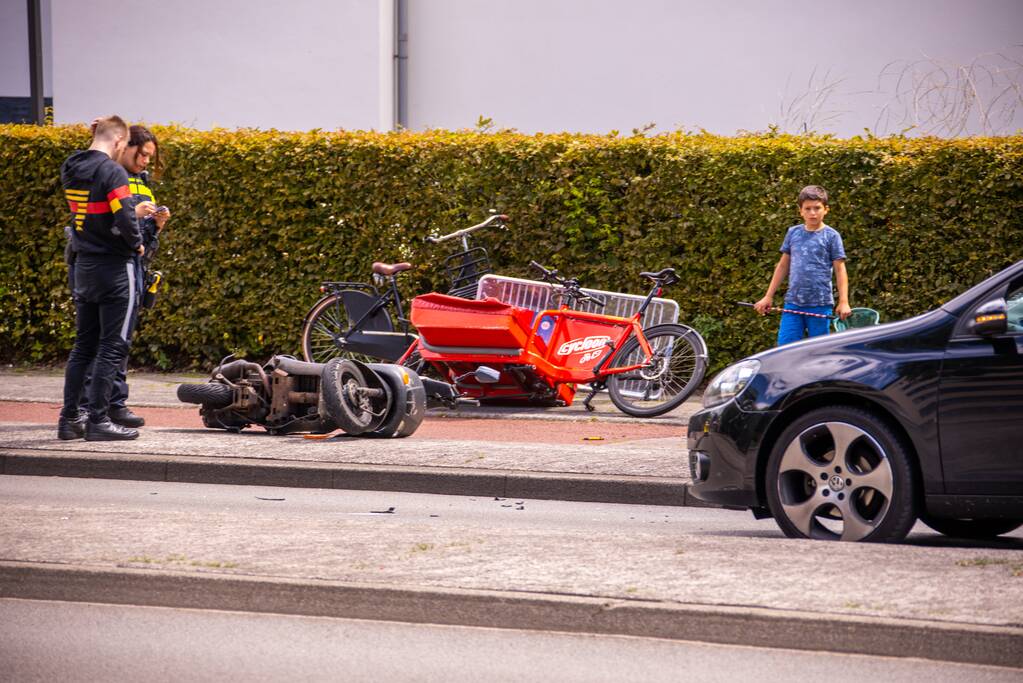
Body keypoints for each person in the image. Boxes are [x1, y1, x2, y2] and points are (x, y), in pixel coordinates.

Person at [75, 125, 170, 428]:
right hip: (110, 265)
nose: (145, 162)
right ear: (127, 146)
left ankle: (113, 403)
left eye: (149, 158)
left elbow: (145, 241)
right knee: (102, 342)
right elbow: (101, 221)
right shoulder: (107, 175)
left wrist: (157, 226)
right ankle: (92, 409)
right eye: (142, 154)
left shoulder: (142, 183)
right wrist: (135, 215)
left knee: (119, 342)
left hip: (132, 265)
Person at [57, 115, 144, 441]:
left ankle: (69, 420)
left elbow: (97, 209)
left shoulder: (71, 166)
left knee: (83, 346)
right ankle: (98, 421)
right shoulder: (113, 171)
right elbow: (123, 213)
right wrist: (136, 242)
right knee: (112, 346)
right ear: (121, 141)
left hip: (84, 264)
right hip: (114, 267)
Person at [754, 185, 851, 346]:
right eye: (808, 208)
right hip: (793, 303)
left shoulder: (832, 236)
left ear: (826, 209)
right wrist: (768, 296)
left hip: (820, 304)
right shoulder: (793, 233)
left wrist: (844, 301)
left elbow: (840, 270)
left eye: (817, 208)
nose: (812, 213)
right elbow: (783, 266)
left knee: (818, 351)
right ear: (800, 211)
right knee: (785, 348)